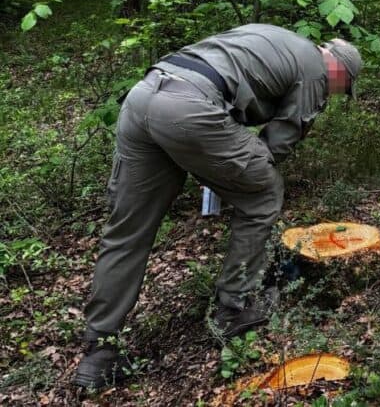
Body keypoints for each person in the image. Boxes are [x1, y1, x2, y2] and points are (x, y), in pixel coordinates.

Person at [73, 24, 362, 389]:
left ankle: (99, 352)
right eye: (342, 88)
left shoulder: (270, 36)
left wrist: (221, 168)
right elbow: (280, 142)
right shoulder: (316, 71)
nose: (334, 94)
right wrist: (236, 176)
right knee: (264, 194)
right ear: (339, 71)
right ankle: (234, 308)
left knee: (127, 230)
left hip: (145, 94)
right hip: (190, 109)